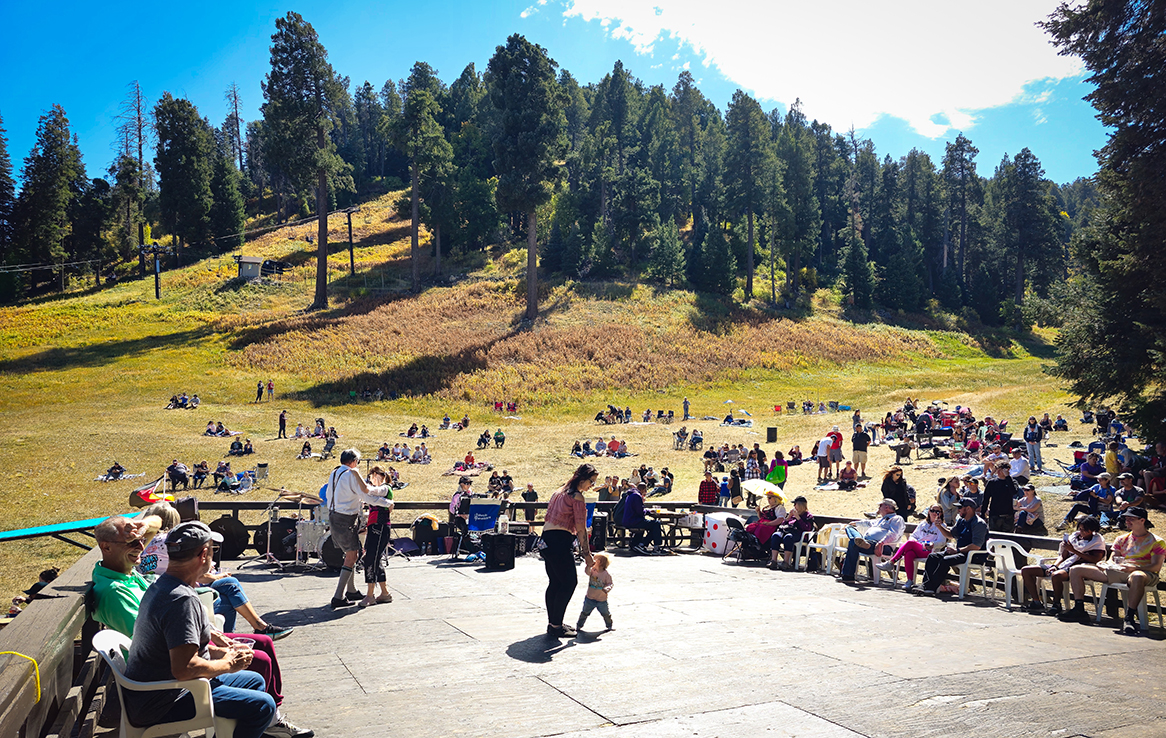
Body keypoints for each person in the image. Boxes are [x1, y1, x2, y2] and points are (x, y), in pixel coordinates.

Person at [92, 516, 309, 738]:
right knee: (263, 706)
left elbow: (181, 650)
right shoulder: (181, 600)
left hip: (158, 690)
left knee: (256, 680)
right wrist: (227, 663)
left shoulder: (165, 585)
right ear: (203, 556)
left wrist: (224, 652)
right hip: (162, 701)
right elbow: (184, 668)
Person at [135, 503, 292, 639]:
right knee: (230, 584)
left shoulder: (140, 546)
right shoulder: (173, 541)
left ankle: (235, 636)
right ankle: (257, 629)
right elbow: (198, 575)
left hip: (155, 594)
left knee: (228, 600)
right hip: (182, 592)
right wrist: (219, 576)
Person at [1060, 508, 1166, 635]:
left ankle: (1129, 618)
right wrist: (1104, 564)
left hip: (1143, 573)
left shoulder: (1157, 541)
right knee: (1076, 569)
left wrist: (1134, 568)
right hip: (1119, 572)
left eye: (1131, 519)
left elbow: (1155, 567)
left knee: (1137, 576)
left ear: (1142, 520)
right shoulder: (1121, 538)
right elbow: (1112, 559)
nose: (1127, 521)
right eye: (1126, 518)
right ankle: (1079, 609)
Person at [325, 449, 394, 609]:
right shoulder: (350, 475)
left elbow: (330, 494)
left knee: (352, 554)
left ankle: (352, 590)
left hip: (334, 515)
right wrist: (387, 503)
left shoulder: (334, 472)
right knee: (352, 555)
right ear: (354, 461)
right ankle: (338, 596)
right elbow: (365, 495)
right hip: (346, 518)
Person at [542, 463, 597, 638]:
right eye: (591, 482)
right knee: (569, 583)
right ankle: (556, 625)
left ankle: (554, 623)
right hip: (560, 541)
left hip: (546, 540)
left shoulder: (558, 492)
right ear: (582, 479)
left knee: (555, 583)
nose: (591, 486)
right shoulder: (577, 497)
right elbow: (581, 528)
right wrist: (587, 555)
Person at [1020, 516, 1105, 616]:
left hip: (1078, 568)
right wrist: (1055, 565)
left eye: (1085, 530)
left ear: (1092, 530)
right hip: (1064, 564)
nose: (1082, 532)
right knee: (1026, 570)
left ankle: (1056, 604)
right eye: (1080, 529)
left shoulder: (1097, 541)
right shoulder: (1074, 538)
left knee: (1056, 575)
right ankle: (1036, 601)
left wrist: (1074, 551)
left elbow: (1095, 559)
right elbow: (1063, 556)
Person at [919, 497, 989, 596]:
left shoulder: (979, 524)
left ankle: (930, 587)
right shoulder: (961, 521)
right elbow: (950, 535)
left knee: (946, 560)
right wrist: (939, 526)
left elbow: (976, 546)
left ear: (968, 508)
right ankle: (926, 586)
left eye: (960, 508)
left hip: (974, 556)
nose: (958, 510)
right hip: (960, 553)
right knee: (932, 557)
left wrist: (957, 551)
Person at [876, 505, 947, 591]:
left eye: (937, 511)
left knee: (910, 544)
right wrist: (915, 542)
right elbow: (913, 536)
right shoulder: (923, 524)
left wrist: (933, 544)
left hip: (930, 550)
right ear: (929, 512)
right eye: (932, 511)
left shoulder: (942, 526)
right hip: (917, 546)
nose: (935, 513)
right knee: (909, 553)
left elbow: (942, 542)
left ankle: (891, 562)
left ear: (941, 513)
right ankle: (910, 581)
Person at [839, 499, 905, 582]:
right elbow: (868, 523)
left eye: (880, 506)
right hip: (870, 543)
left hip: (883, 546)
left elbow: (894, 534)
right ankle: (860, 541)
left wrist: (881, 543)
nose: (878, 508)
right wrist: (855, 523)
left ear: (887, 507)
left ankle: (848, 576)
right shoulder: (881, 520)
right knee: (849, 529)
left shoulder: (896, 519)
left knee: (853, 543)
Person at [359, 466, 395, 608]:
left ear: (380, 475)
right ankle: (385, 593)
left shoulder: (385, 488)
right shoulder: (378, 492)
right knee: (375, 559)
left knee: (371, 559)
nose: (372, 479)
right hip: (375, 526)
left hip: (380, 526)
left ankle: (370, 595)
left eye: (373, 476)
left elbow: (375, 492)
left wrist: (363, 486)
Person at [768, 496, 814, 570]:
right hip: (786, 530)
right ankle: (774, 561)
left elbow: (807, 528)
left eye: (795, 504)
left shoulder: (808, 516)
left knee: (788, 538)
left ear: (800, 505)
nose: (794, 506)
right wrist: (788, 517)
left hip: (798, 534)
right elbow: (783, 524)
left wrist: (798, 518)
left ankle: (786, 562)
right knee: (775, 535)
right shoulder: (792, 514)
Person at [575, 552, 614, 632]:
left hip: (601, 600)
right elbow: (587, 572)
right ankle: (579, 625)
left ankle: (609, 625)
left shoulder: (606, 574)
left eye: (594, 560)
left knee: (605, 613)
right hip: (590, 598)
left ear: (599, 562)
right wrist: (588, 566)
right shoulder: (593, 571)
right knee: (585, 612)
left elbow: (610, 583)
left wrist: (607, 588)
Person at [623, 482, 665, 553]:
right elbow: (640, 512)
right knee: (656, 524)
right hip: (633, 521)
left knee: (653, 525)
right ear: (642, 490)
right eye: (645, 491)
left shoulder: (631, 495)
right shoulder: (637, 496)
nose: (645, 493)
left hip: (628, 520)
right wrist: (648, 511)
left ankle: (640, 544)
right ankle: (654, 546)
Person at [983, 461, 1019, 532]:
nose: (998, 472)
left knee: (1008, 538)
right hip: (994, 515)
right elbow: (986, 499)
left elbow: (1013, 492)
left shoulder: (1012, 482)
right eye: (997, 470)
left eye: (1001, 470)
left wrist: (1007, 477)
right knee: (994, 537)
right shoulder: (992, 483)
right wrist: (983, 513)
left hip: (1008, 515)